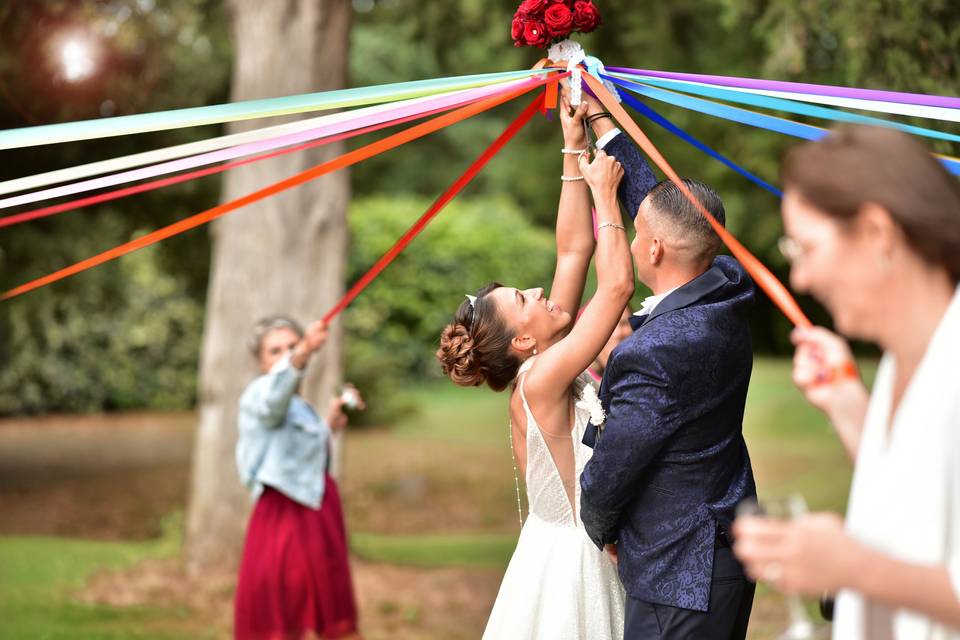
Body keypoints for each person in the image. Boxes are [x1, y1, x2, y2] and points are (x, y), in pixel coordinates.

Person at [732, 125, 960, 639]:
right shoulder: (905, 362)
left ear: (877, 234)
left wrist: (853, 568)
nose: (801, 280)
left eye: (806, 249)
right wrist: (848, 405)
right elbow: (916, 502)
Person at [435, 89, 634, 639]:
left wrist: (573, 147)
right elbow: (617, 285)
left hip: (562, 547)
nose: (538, 288)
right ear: (523, 340)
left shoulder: (544, 359)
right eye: (524, 299)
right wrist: (608, 199)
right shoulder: (545, 376)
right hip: (576, 564)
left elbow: (573, 253)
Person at [578, 119, 758, 637]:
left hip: (679, 571)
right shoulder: (728, 292)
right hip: (720, 550)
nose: (634, 240)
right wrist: (603, 122)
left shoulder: (655, 351)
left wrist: (604, 528)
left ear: (653, 250)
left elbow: (613, 472)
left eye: (637, 234)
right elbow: (673, 215)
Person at [234, 315, 363, 640]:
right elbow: (273, 403)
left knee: (324, 602)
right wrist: (303, 351)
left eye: (291, 346)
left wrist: (328, 424)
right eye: (274, 351)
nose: (285, 356)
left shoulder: (298, 404)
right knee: (283, 608)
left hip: (318, 508)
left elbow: (293, 449)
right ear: (260, 361)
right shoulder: (259, 394)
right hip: (284, 513)